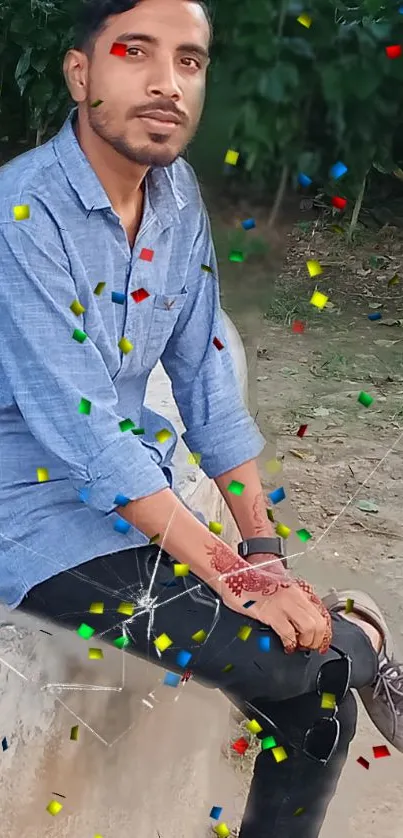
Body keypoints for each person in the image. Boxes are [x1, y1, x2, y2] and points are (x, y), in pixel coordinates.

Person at [0, 0, 402, 835]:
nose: (165, 84)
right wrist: (237, 579)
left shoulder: (174, 197)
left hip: (142, 504)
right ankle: (362, 634)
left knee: (311, 709)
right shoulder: (20, 215)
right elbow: (82, 433)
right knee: (291, 668)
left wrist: (262, 550)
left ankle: (341, 651)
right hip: (31, 515)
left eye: (188, 62)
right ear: (81, 74)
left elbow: (205, 380)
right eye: (134, 53)